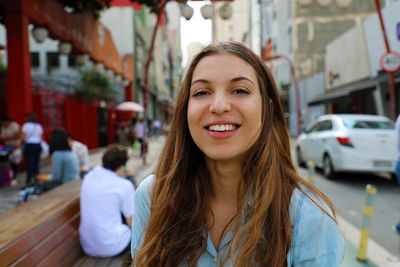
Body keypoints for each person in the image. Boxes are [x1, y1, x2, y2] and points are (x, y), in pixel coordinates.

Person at [131, 42, 344, 266]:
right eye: (201, 92)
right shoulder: (152, 196)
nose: (219, 106)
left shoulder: (308, 217)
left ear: (268, 109)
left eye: (240, 90)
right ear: (185, 110)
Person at [79, 145, 136, 257]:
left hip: (88, 246)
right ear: (122, 166)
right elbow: (132, 222)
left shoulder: (89, 177)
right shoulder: (125, 185)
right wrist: (131, 178)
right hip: (112, 247)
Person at [21, 113, 43, 185]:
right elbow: (41, 137)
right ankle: (37, 178)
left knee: (30, 163)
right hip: (38, 145)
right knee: (36, 163)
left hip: (29, 145)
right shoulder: (38, 126)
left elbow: (23, 137)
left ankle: (28, 180)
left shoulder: (26, 126)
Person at [0, 115, 22, 180]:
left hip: (14, 146)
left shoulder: (14, 125)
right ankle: (7, 177)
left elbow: (18, 135)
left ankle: (13, 176)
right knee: (6, 162)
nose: (2, 124)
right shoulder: (2, 127)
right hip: (5, 147)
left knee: (13, 162)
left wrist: (6, 138)